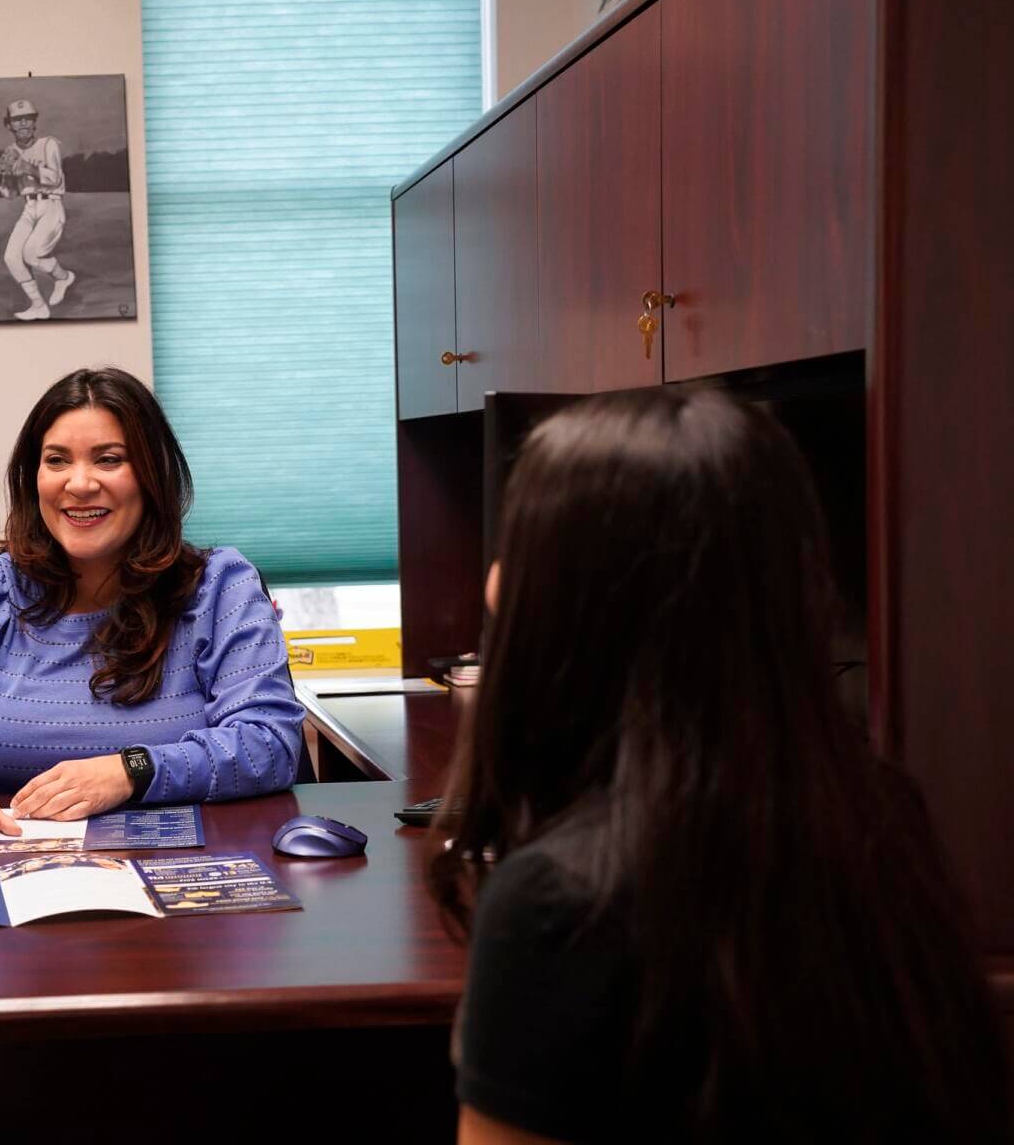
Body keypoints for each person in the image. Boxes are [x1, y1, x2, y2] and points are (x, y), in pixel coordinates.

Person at [428, 388, 1010, 1144]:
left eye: (521, 550)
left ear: (573, 602)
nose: (496, 582)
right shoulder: (883, 815)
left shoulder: (557, 903)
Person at [0, 367, 303, 852]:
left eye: (109, 460)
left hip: (184, 867)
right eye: (56, 461)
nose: (79, 483)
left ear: (152, 476)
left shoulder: (219, 586)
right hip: (12, 870)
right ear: (34, 478)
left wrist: (132, 770)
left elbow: (270, 742)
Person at [0, 97, 75, 321]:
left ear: (34, 122)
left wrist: (27, 167)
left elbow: (54, 177)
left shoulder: (49, 144)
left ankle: (63, 277)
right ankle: (39, 305)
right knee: (11, 257)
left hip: (51, 204)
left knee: (31, 253)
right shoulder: (10, 151)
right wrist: (7, 177)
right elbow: (10, 195)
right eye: (17, 120)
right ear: (9, 125)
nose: (23, 125)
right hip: (29, 208)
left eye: (27, 119)